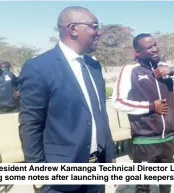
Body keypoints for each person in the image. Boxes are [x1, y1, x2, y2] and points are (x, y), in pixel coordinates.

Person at [18, 6, 115, 193]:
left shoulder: (94, 66)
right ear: (73, 29)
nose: (99, 32)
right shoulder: (39, 67)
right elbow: (30, 125)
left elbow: (100, 114)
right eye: (94, 26)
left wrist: (108, 155)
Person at [112, 33, 174, 193]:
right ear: (138, 51)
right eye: (149, 47)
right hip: (145, 140)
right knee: (143, 187)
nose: (155, 49)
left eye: (155, 45)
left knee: (166, 183)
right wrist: (150, 107)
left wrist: (171, 71)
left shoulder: (165, 68)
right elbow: (117, 101)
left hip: (168, 138)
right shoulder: (130, 71)